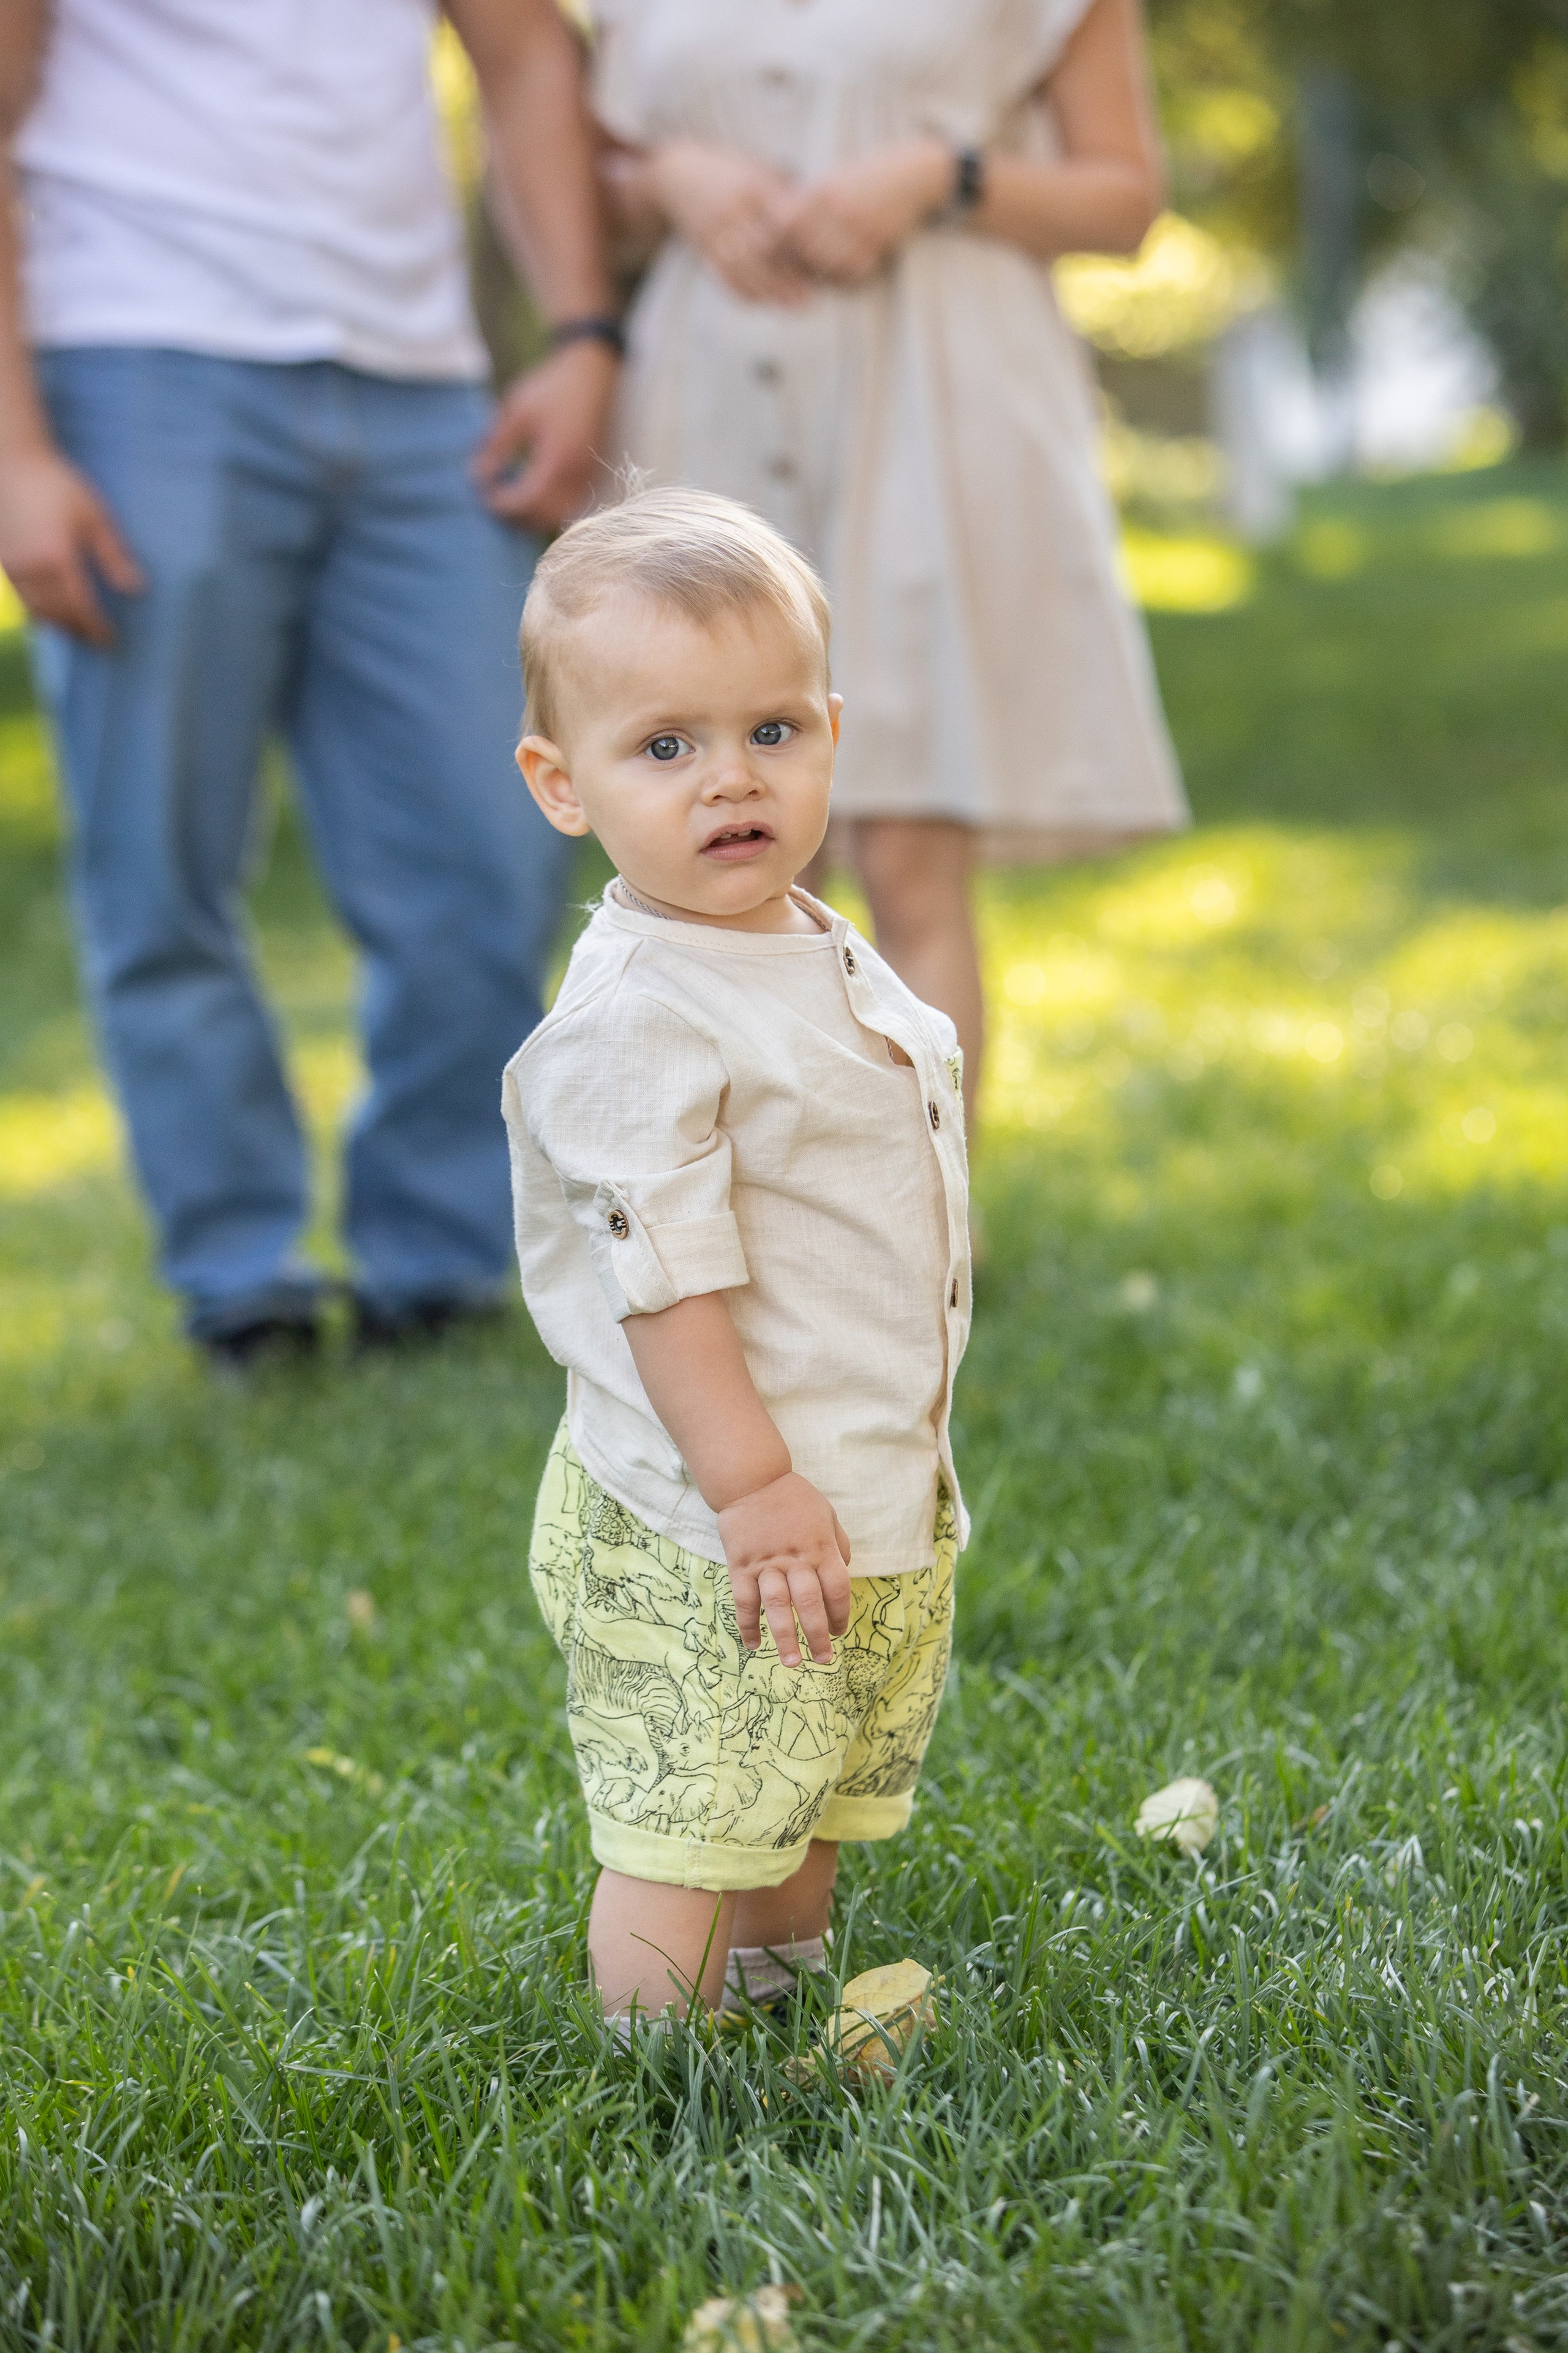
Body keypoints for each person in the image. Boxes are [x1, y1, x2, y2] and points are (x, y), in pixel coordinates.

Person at [0, 0, 620, 1367]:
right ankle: (241, 1273)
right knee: (160, 859)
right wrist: (15, 442)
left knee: (496, 839)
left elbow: (522, 51)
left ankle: (441, 1256)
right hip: (136, 358)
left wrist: (581, 334)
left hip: (419, 389)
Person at [503, 488, 969, 2020]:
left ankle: (771, 2000)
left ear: (830, 728)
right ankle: (653, 2054)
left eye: (771, 731)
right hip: (709, 1514)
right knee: (693, 1810)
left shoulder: (797, 934)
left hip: (838, 1487)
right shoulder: (641, 1009)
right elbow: (667, 1281)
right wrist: (751, 1488)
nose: (729, 781)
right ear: (559, 784)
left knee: (801, 1788)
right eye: (664, 748)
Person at [589, 0, 1188, 1131]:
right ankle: (753, 1231)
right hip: (709, 406)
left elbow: (1124, 201)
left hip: (937, 399)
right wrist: (671, 179)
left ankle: (920, 1244)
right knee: (721, 843)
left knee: (908, 840)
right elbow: (584, 200)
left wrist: (939, 175)